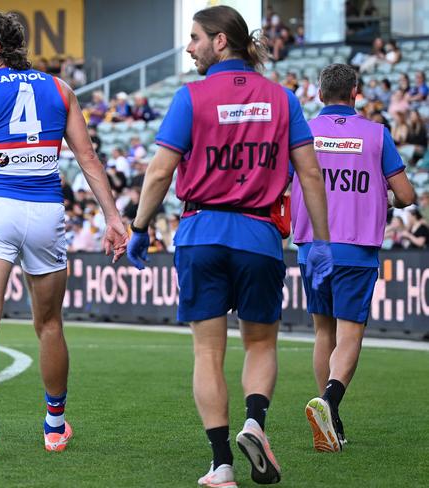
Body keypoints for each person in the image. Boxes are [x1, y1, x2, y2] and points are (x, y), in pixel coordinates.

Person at [126, 6, 331, 487]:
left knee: (207, 354)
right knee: (260, 343)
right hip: (259, 236)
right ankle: (255, 422)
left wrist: (139, 227)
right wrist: (318, 240)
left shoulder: (191, 97)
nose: (190, 47)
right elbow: (311, 174)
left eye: (195, 37)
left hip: (201, 234)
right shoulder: (282, 99)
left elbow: (159, 171)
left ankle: (221, 466)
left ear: (221, 42)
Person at [0, 11, 128, 460]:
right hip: (45, 211)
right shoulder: (61, 90)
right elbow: (88, 159)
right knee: (50, 325)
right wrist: (113, 218)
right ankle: (55, 426)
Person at [290, 64, 415, 453]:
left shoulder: (302, 131)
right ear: (355, 93)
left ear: (320, 93)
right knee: (349, 336)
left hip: (313, 247)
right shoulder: (376, 133)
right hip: (356, 249)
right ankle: (329, 402)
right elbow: (407, 196)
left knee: (322, 333)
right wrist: (385, 198)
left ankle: (331, 417)